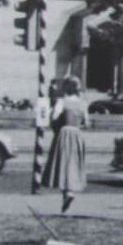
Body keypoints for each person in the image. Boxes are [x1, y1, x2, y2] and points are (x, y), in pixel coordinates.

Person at [41, 77, 88, 213]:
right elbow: (86, 122)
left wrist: (56, 126)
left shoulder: (62, 102)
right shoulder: (83, 103)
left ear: (66, 88)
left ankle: (67, 194)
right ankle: (69, 193)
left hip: (64, 133)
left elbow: (54, 117)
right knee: (73, 164)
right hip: (77, 134)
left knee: (63, 164)